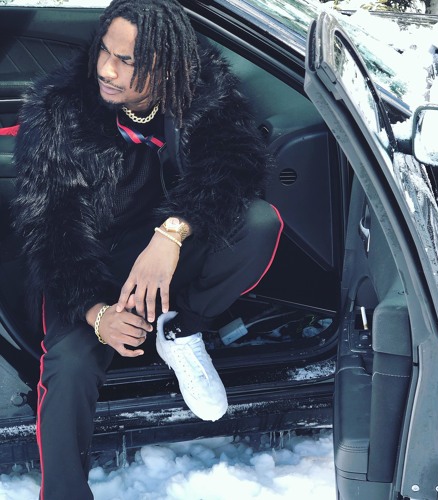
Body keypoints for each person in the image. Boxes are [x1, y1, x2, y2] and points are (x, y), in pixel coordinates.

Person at [11, 0, 283, 498]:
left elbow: (235, 168)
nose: (107, 70)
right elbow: (48, 231)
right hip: (87, 262)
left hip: (164, 247)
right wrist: (97, 314)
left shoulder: (203, 92)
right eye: (104, 51)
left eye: (127, 60)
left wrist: (171, 233)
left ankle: (179, 328)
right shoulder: (58, 111)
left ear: (169, 66)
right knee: (69, 367)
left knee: (258, 223)